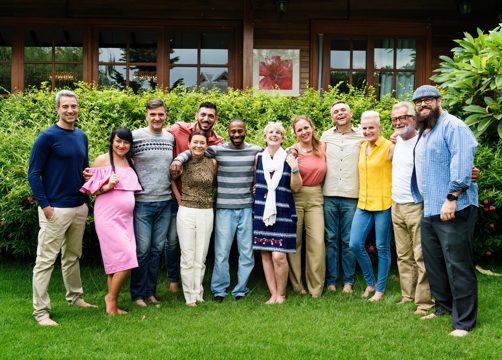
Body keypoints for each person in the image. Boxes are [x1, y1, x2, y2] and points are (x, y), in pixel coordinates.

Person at [410, 85, 478, 337]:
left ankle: (463, 323)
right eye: (418, 102)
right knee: (435, 263)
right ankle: (444, 307)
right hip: (430, 208)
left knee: (457, 264)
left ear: (439, 101)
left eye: (427, 100)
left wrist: (452, 197)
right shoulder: (425, 131)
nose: (422, 105)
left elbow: (462, 163)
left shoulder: (454, 126)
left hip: (454, 207)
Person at [28, 90, 97, 327]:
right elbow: (34, 174)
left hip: (78, 206)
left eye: (74, 106)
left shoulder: (81, 136)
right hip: (55, 209)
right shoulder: (46, 137)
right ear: (57, 108)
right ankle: (41, 312)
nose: (70, 110)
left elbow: (83, 167)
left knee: (72, 256)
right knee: (45, 260)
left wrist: (87, 176)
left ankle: (75, 297)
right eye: (65, 106)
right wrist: (45, 206)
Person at [172, 119, 261, 302]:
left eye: (240, 131)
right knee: (221, 252)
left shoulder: (256, 151)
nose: (236, 134)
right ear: (227, 132)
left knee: (246, 253)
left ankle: (240, 290)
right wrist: (178, 159)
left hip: (246, 208)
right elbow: (194, 151)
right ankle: (219, 289)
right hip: (224, 208)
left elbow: (273, 156)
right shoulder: (217, 150)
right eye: (233, 131)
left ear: (246, 131)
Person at [80, 127, 142, 315]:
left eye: (126, 142)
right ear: (112, 141)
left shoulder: (129, 161)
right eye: (118, 141)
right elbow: (92, 191)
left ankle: (112, 306)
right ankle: (111, 298)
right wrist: (108, 185)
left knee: (115, 262)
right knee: (129, 259)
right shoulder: (102, 160)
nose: (122, 145)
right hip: (107, 216)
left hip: (126, 218)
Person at [166, 102, 224, 293]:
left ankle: (195, 288)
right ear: (196, 115)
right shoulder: (178, 130)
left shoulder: (218, 142)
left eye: (211, 116)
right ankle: (174, 280)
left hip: (202, 203)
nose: (206, 119)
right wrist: (178, 159)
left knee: (198, 249)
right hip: (179, 198)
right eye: (203, 114)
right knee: (175, 242)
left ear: (216, 119)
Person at [129, 99, 175, 307]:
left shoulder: (170, 138)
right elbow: (119, 157)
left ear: (166, 115)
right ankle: (137, 293)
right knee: (143, 249)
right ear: (146, 114)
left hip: (165, 201)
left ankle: (151, 292)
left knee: (157, 249)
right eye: (153, 114)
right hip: (142, 202)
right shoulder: (135, 136)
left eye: (161, 114)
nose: (157, 118)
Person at [390, 102, 434, 314]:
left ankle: (424, 302)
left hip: (416, 205)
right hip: (396, 204)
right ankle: (407, 295)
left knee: (421, 255)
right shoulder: (396, 140)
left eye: (403, 117)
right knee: (403, 255)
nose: (398, 122)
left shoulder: (423, 140)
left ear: (413, 119)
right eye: (395, 119)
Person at [253, 122, 302, 304]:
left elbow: (296, 188)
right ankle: (272, 294)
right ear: (265, 137)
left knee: (278, 255)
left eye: (278, 133)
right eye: (270, 132)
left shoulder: (288, 158)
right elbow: (255, 181)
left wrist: (295, 167)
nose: (274, 135)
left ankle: (281, 294)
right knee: (265, 253)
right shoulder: (258, 158)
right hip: (261, 209)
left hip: (283, 209)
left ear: (282, 138)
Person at [349, 111, 394, 302]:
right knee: (355, 244)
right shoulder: (361, 147)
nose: (368, 131)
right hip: (364, 202)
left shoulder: (390, 147)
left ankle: (380, 289)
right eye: (364, 128)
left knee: (382, 247)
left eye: (371, 127)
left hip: (384, 203)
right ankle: (370, 282)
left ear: (379, 127)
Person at [171, 130, 217, 307]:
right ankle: (189, 296)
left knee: (201, 256)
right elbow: (171, 179)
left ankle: (198, 293)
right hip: (187, 211)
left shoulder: (212, 162)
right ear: (189, 144)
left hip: (206, 211)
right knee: (188, 255)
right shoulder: (183, 161)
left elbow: (214, 183)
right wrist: (179, 199)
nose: (198, 146)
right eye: (195, 142)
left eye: (202, 143)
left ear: (207, 145)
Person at [321, 101, 362, 293]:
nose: (340, 113)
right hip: (329, 194)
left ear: (350, 113)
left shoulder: (362, 134)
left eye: (343, 110)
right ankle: (330, 280)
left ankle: (348, 281)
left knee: (348, 239)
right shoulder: (326, 136)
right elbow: (314, 156)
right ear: (332, 117)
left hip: (351, 195)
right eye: (336, 112)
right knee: (330, 239)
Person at [287, 115, 326, 298]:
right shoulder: (292, 151)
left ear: (312, 127)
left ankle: (315, 288)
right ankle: (297, 285)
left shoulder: (322, 147)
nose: (304, 132)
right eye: (299, 130)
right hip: (296, 196)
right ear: (295, 133)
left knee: (317, 242)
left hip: (316, 196)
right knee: (295, 242)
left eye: (306, 128)